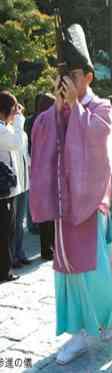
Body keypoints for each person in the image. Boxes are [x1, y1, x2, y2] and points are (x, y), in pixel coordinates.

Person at [29, 24, 112, 365]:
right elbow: (43, 140)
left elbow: (99, 142)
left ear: (88, 76)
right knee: (66, 270)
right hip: (64, 202)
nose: (67, 80)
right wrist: (58, 109)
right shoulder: (60, 108)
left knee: (91, 267)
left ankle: (109, 313)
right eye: (64, 74)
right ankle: (78, 332)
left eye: (73, 73)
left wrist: (75, 108)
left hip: (89, 202)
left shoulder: (100, 108)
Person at [26, 93, 56, 261]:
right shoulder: (47, 121)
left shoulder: (31, 120)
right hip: (46, 169)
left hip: (36, 167)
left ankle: (46, 248)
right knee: (49, 213)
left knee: (44, 211)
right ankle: (48, 248)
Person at [0, 91, 25, 283]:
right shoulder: (1, 129)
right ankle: (4, 271)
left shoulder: (4, 127)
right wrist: (18, 120)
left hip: (6, 189)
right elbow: (17, 143)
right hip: (3, 191)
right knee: (5, 231)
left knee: (7, 230)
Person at [10, 103, 32, 268]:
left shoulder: (20, 131)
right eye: (15, 109)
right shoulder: (8, 130)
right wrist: (18, 120)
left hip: (24, 182)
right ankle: (12, 255)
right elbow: (16, 144)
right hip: (12, 184)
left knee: (20, 222)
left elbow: (25, 153)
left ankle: (19, 252)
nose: (18, 112)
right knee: (13, 223)